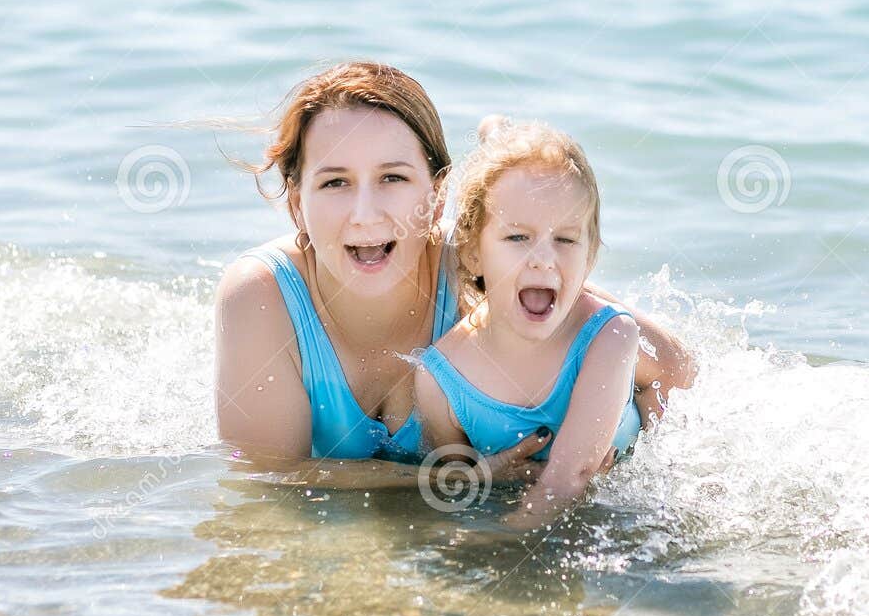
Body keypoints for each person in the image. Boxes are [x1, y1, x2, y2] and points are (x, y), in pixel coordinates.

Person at [214, 61, 694, 487]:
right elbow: (264, 477)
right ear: (297, 204)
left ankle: (499, 139)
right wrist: (448, 478)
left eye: (393, 178)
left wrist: (640, 448)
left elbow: (673, 365)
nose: (365, 213)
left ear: (438, 195)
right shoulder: (261, 295)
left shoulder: (475, 266)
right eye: (335, 182)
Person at [415, 119, 639, 527]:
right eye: (517, 238)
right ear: (472, 254)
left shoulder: (610, 336)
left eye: (567, 240)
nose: (544, 259)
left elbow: (570, 477)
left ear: (590, 258)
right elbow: (451, 484)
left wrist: (496, 544)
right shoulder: (440, 378)